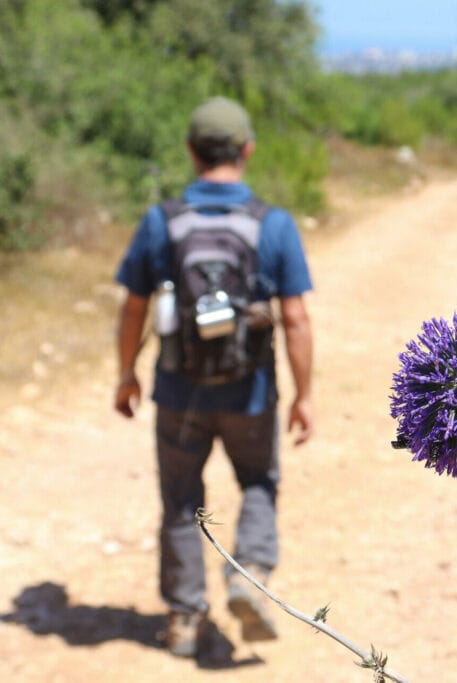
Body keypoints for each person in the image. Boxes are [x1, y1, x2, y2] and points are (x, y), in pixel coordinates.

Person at [113, 96, 314, 658]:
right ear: (247, 150)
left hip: (179, 391)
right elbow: (295, 317)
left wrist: (126, 374)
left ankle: (182, 617)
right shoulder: (272, 224)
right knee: (257, 482)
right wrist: (305, 396)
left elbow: (133, 307)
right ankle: (248, 574)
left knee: (181, 498)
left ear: (190, 151)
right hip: (250, 393)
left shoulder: (162, 221)